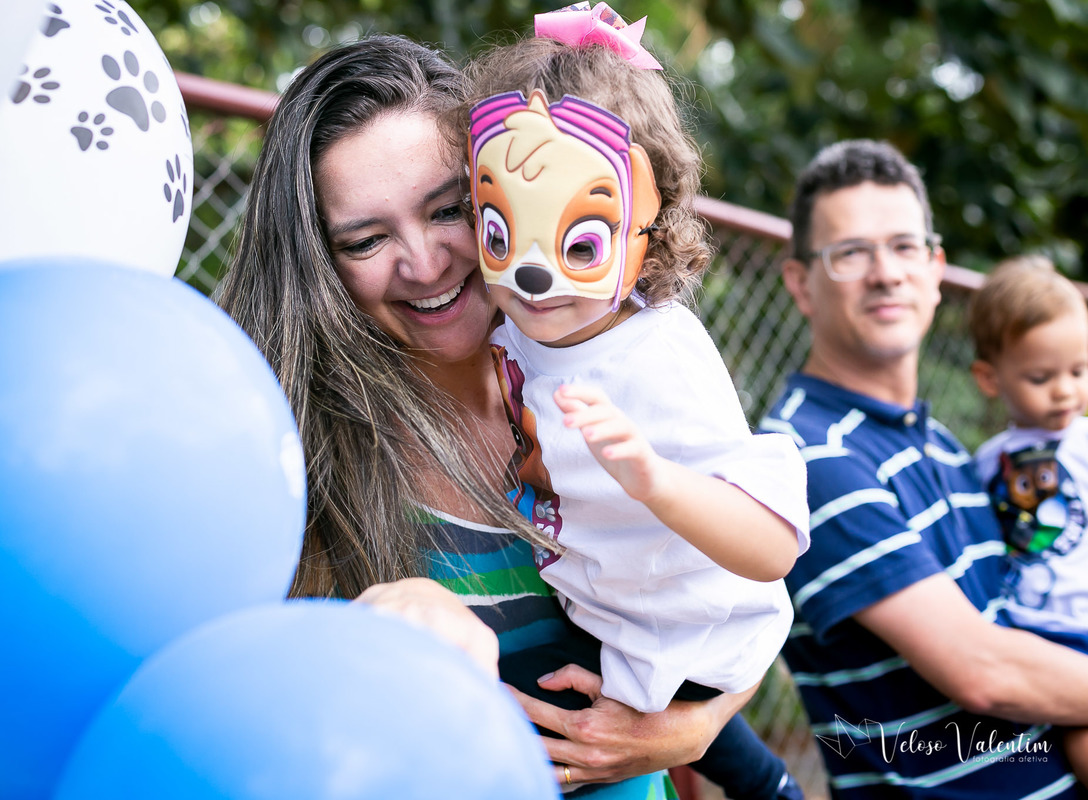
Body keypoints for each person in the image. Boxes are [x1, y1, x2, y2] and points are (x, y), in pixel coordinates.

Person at [213, 33, 756, 797]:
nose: (427, 263)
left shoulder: (610, 370)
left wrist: (696, 726)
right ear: (318, 266)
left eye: (450, 210)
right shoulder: (293, 458)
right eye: (367, 239)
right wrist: (383, 616)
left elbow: (731, 598)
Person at [453, 12, 810, 800]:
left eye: (579, 244)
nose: (536, 275)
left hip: (689, 633)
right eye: (500, 232)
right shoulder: (512, 321)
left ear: (649, 227)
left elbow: (774, 548)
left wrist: (657, 480)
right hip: (608, 605)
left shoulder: (661, 357)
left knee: (640, 740)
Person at [759, 137, 1088, 798]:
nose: (886, 273)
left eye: (905, 247)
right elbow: (984, 671)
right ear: (801, 283)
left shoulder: (941, 444)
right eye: (851, 252)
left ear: (936, 269)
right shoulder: (805, 453)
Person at [968, 255, 1088, 780]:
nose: (1064, 389)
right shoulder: (984, 464)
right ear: (990, 378)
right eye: (1041, 376)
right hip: (1037, 633)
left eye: (1079, 371)